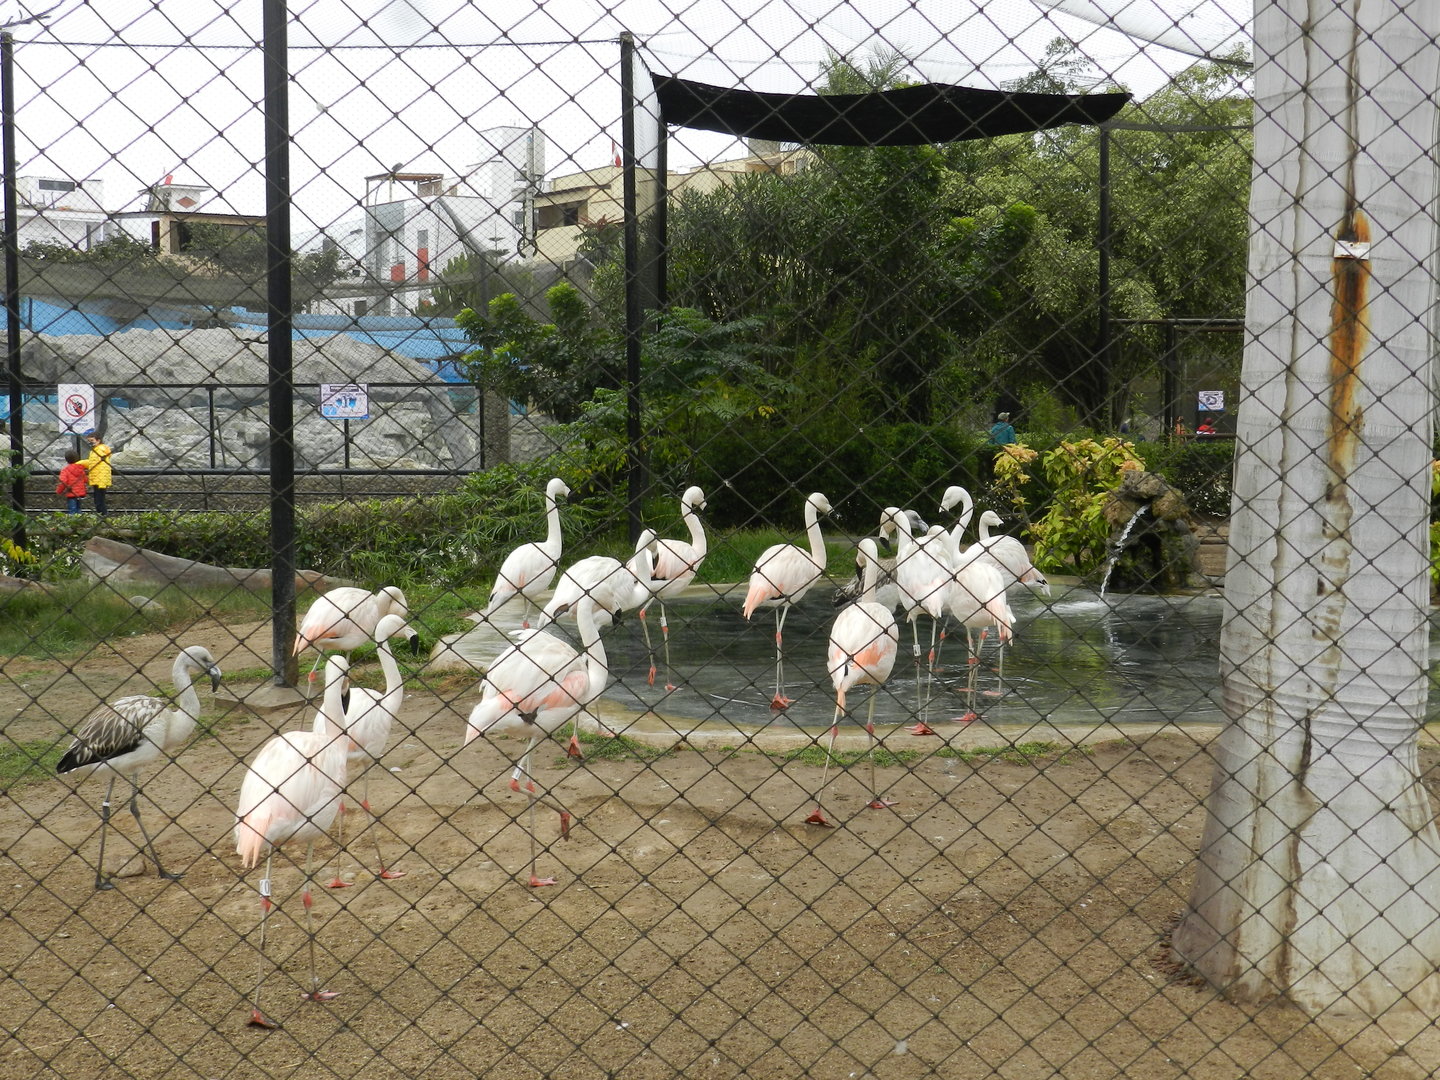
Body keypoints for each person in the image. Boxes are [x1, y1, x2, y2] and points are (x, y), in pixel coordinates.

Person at [81, 431, 113, 515]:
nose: (90, 443)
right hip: (100, 477)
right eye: (89, 441)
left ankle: (102, 514)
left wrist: (79, 463)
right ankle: (102, 514)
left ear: (98, 440)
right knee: (100, 498)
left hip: (99, 477)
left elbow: (92, 462)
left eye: (92, 440)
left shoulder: (98, 450)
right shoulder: (99, 449)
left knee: (99, 500)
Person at [56, 449, 87, 514]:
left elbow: (63, 482)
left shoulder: (65, 470)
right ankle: (79, 519)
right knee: (78, 509)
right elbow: (85, 480)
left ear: (66, 459)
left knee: (72, 510)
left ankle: (72, 520)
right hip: (80, 493)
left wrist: (59, 491)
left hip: (71, 493)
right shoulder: (81, 469)